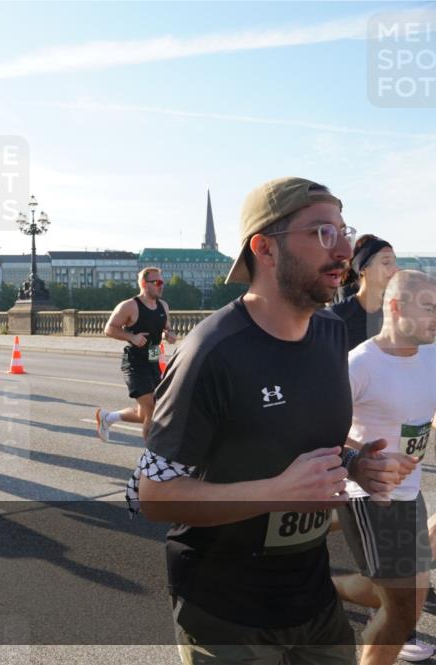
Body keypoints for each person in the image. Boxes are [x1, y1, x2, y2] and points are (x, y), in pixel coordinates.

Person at [131, 177, 410, 664]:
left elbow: (300, 442)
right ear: (265, 249)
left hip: (312, 596)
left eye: (345, 231)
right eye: (323, 233)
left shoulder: (329, 334)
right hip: (225, 611)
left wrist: (354, 464)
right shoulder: (211, 352)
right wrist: (278, 491)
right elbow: (150, 495)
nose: (344, 249)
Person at [331, 270, 436, 664]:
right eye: (429, 308)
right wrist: (364, 457)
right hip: (371, 496)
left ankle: (320, 588)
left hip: (410, 492)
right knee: (402, 609)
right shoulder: (360, 365)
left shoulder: (431, 356)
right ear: (395, 308)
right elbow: (321, 432)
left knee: (409, 594)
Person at [97, 267, 176, 442]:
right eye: (156, 282)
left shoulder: (163, 305)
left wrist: (169, 334)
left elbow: (166, 327)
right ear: (143, 283)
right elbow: (109, 329)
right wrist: (131, 336)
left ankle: (107, 418)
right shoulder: (129, 306)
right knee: (153, 411)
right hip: (134, 361)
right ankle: (151, 461)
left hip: (153, 357)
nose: (160, 286)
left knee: (144, 413)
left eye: (162, 282)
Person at [330, 235, 397, 351]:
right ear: (364, 269)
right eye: (386, 263)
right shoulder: (336, 317)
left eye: (394, 262)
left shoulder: (394, 314)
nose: (394, 269)